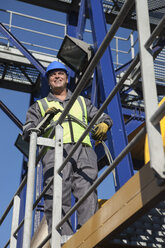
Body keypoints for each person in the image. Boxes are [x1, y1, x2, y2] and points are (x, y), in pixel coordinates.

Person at [23, 61, 113, 242]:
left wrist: (104, 124)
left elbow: (103, 116)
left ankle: (87, 233)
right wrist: (46, 119)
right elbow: (28, 131)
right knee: (56, 194)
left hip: (83, 150)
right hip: (55, 151)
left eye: (60, 73)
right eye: (53, 74)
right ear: (49, 80)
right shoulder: (39, 106)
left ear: (66, 78)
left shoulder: (81, 102)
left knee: (87, 191)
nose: (57, 76)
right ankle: (62, 237)